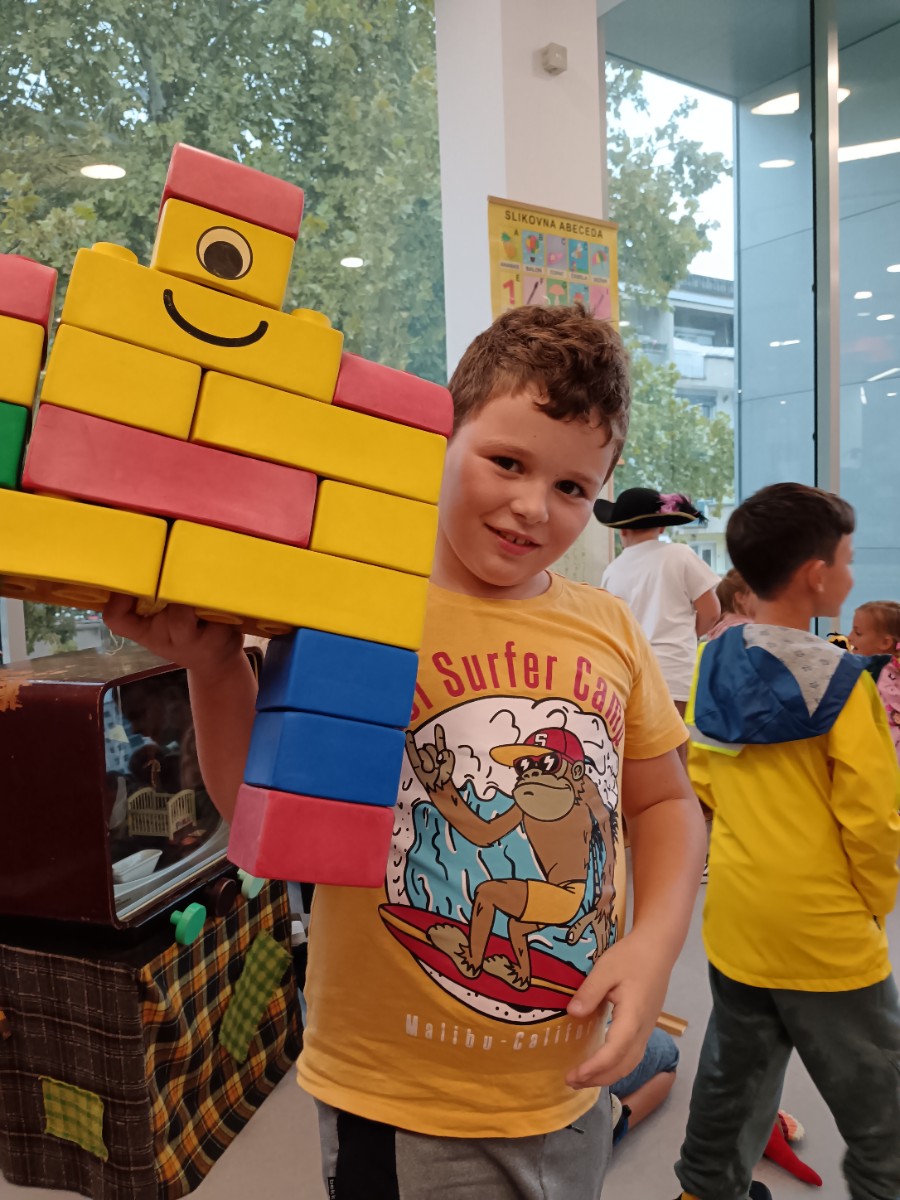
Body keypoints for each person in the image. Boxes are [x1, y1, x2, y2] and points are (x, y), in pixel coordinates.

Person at [104, 303, 706, 1200]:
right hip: (399, 1096)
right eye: (507, 462)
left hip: (567, 1086)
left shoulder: (609, 628)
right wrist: (215, 667)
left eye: (574, 488)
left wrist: (655, 946)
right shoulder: (352, 610)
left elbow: (664, 803)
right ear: (441, 441)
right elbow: (261, 816)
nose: (533, 506)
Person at [674, 482, 900, 1200]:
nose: (852, 573)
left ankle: (703, 1190)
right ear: (816, 574)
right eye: (848, 559)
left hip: (738, 915)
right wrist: (874, 902)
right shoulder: (845, 681)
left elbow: (702, 776)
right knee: (881, 1097)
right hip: (824, 928)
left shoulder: (712, 662)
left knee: (732, 1075)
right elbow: (873, 818)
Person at [594, 488, 720, 758]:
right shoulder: (679, 555)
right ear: (662, 525)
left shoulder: (612, 571)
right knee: (677, 752)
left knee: (642, 753)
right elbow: (711, 612)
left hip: (629, 673)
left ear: (621, 530)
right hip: (674, 668)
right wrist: (687, 636)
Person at [703, 568, 757, 642]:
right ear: (740, 597)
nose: (766, 598)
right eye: (759, 592)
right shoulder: (744, 632)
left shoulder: (724, 625)